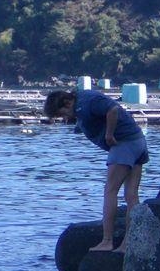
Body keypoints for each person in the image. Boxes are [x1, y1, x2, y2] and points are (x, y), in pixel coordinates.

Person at [44, 89, 149, 253]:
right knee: (131, 195)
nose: (64, 118)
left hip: (124, 144)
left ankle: (107, 241)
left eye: (62, 114)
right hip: (138, 142)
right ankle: (128, 242)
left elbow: (112, 109)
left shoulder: (87, 102)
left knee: (110, 191)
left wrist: (109, 135)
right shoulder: (82, 103)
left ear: (67, 103)